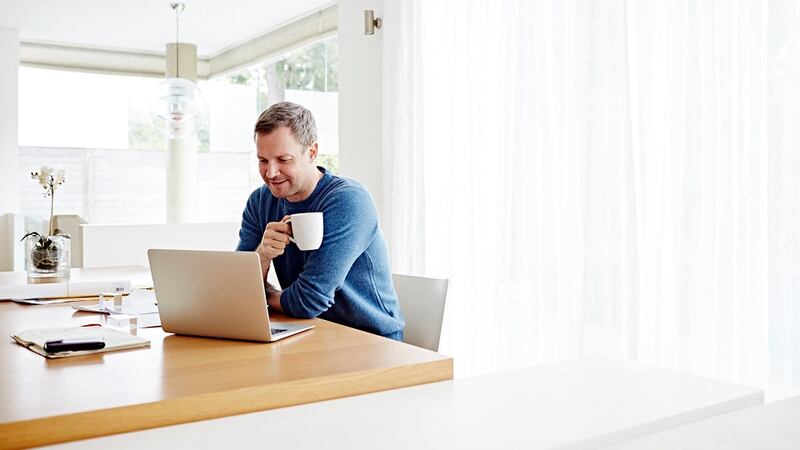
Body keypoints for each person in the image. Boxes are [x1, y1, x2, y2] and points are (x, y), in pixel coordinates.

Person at [236, 102, 404, 340]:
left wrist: (267, 296)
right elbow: (238, 290)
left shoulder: (348, 201)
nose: (271, 173)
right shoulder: (260, 201)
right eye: (263, 160)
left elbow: (308, 300)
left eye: (283, 159)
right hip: (310, 332)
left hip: (371, 339)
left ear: (312, 153)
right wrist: (262, 255)